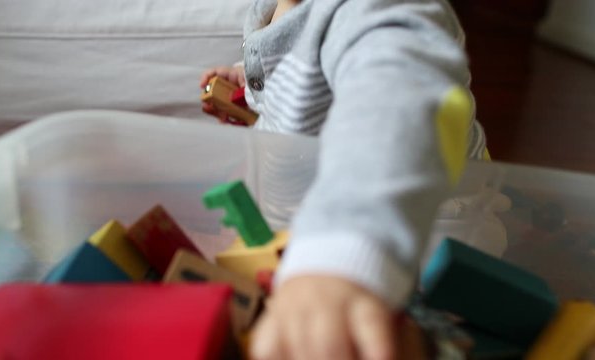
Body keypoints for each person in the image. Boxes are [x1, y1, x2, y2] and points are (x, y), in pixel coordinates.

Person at [200, 0, 487, 358]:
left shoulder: (374, 10)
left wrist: (341, 255)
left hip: (403, 233)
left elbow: (395, 97)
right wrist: (248, 84)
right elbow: (302, 77)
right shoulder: (273, 8)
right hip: (308, 213)